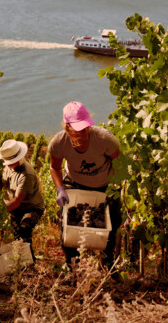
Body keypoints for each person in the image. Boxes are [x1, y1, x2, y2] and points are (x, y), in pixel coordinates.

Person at [48, 101, 122, 269]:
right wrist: (60, 188)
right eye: (77, 129)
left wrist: (114, 190)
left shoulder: (104, 139)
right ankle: (72, 266)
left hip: (104, 185)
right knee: (66, 222)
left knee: (113, 223)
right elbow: (54, 167)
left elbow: (119, 164)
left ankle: (107, 266)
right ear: (67, 127)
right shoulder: (59, 142)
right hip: (75, 184)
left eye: (85, 127)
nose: (82, 132)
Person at [0, 139, 45, 261]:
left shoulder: (26, 174)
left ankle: (29, 263)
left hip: (32, 207)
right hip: (15, 209)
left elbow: (17, 201)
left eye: (11, 162)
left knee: (24, 230)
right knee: (18, 237)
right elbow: (0, 184)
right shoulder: (5, 167)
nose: (9, 164)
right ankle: (23, 261)